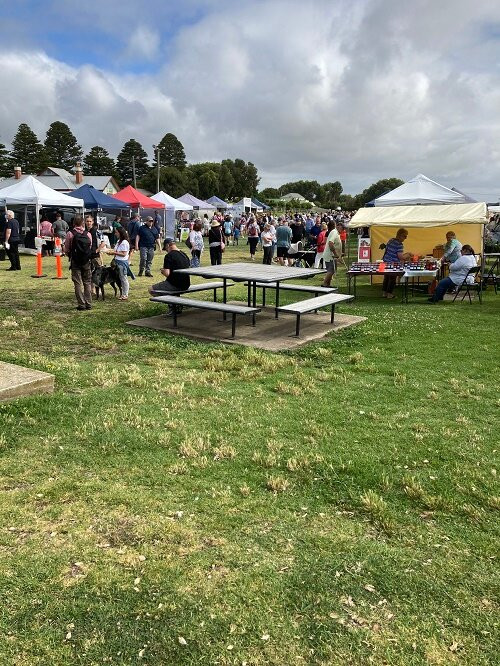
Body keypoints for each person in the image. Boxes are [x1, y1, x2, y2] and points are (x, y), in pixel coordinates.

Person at [150, 238, 191, 315]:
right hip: (186, 283)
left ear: (168, 245)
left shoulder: (169, 256)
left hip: (175, 284)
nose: (166, 251)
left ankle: (173, 305)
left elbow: (167, 273)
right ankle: (176, 304)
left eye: (165, 249)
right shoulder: (184, 254)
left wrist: (162, 271)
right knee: (172, 291)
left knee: (151, 290)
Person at [64, 215, 93, 310]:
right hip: (86, 261)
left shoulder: (70, 234)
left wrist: (70, 256)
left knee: (77, 283)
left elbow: (67, 249)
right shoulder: (88, 234)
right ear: (83, 223)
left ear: (73, 223)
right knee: (87, 282)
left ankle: (81, 304)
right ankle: (89, 303)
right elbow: (90, 247)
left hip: (75, 261)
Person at [381, 228, 411, 299]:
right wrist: (408, 255)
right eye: (405, 236)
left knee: (386, 278)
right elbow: (400, 257)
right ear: (400, 235)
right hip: (393, 264)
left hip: (386, 262)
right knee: (392, 279)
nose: (405, 238)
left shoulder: (391, 240)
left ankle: (384, 293)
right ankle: (389, 294)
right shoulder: (399, 244)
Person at [108, 227, 131, 301]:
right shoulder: (119, 241)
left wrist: (113, 252)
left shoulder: (124, 242)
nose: (115, 234)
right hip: (117, 262)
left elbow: (123, 254)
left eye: (116, 232)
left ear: (120, 233)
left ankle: (125, 294)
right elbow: (117, 251)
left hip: (122, 263)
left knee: (123, 278)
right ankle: (123, 293)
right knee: (120, 278)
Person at [321, 220, 342, 287]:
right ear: (338, 226)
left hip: (331, 255)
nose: (343, 230)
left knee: (332, 270)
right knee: (331, 271)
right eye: (343, 228)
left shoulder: (335, 232)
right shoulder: (334, 232)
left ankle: (328, 284)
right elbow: (331, 243)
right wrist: (335, 254)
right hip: (330, 255)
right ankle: (325, 284)